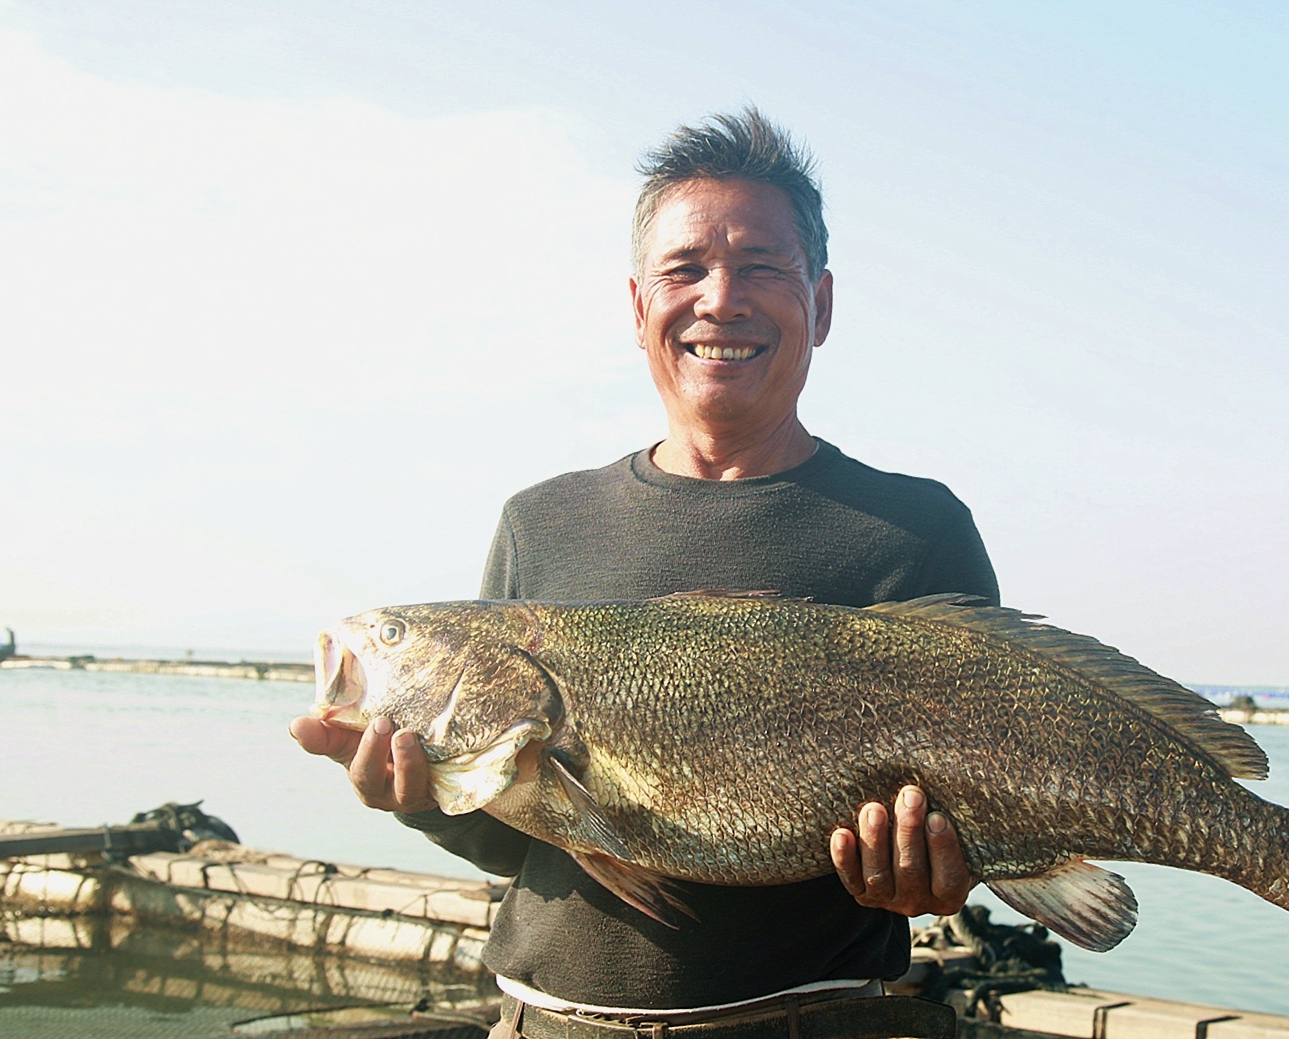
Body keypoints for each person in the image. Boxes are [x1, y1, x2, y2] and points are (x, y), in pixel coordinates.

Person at [290, 108, 1000, 1037]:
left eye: (761, 267)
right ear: (637, 308)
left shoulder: (916, 528)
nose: (720, 299)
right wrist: (421, 801)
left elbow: (982, 804)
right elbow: (528, 841)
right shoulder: (539, 521)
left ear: (821, 305)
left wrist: (934, 875)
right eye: (684, 269)